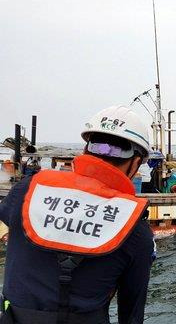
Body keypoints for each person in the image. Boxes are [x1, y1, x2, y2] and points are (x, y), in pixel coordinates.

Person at [0, 106, 154, 324]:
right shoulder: (136, 229)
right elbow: (131, 315)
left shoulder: (28, 190)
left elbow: (7, 220)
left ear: (86, 148)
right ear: (136, 162)